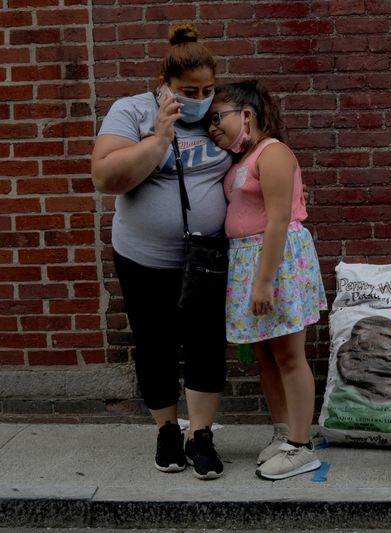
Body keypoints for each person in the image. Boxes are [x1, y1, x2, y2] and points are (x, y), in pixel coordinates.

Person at [91, 24, 229, 480]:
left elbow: (261, 153)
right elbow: (107, 176)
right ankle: (168, 430)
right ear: (165, 84)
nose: (201, 97)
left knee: (207, 343)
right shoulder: (130, 112)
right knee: (155, 345)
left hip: (206, 257)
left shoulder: (222, 114)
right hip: (143, 257)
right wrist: (160, 139)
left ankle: (201, 435)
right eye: (190, 90)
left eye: (208, 89)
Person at [208, 80, 327, 480]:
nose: (212, 127)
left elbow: (278, 220)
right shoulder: (244, 158)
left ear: (247, 115)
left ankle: (301, 446)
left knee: (290, 356)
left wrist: (264, 282)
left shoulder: (273, 153)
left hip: (274, 263)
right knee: (267, 358)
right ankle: (282, 434)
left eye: (217, 117)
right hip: (250, 262)